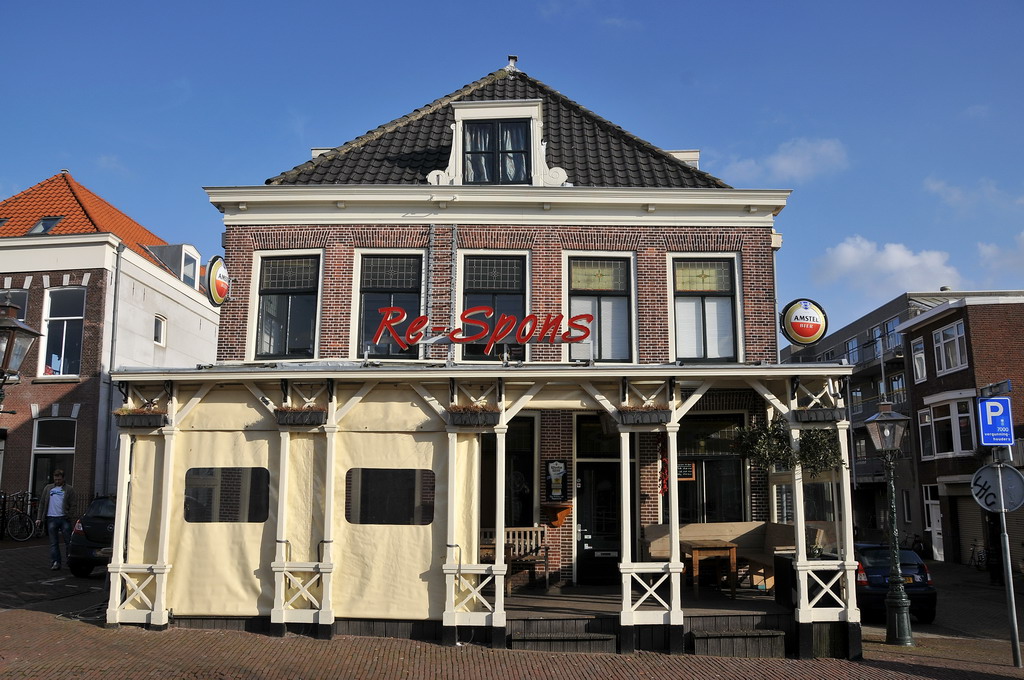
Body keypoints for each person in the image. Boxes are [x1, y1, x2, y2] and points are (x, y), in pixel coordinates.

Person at [35, 470, 76, 570]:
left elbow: (73, 504)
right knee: (53, 543)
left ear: (63, 478)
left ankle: (70, 561)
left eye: (59, 479)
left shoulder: (69, 489)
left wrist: (69, 515)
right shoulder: (48, 488)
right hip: (51, 517)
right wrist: (39, 518)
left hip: (64, 518)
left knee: (68, 541)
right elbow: (42, 503)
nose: (57, 481)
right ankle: (56, 562)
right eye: (55, 479)